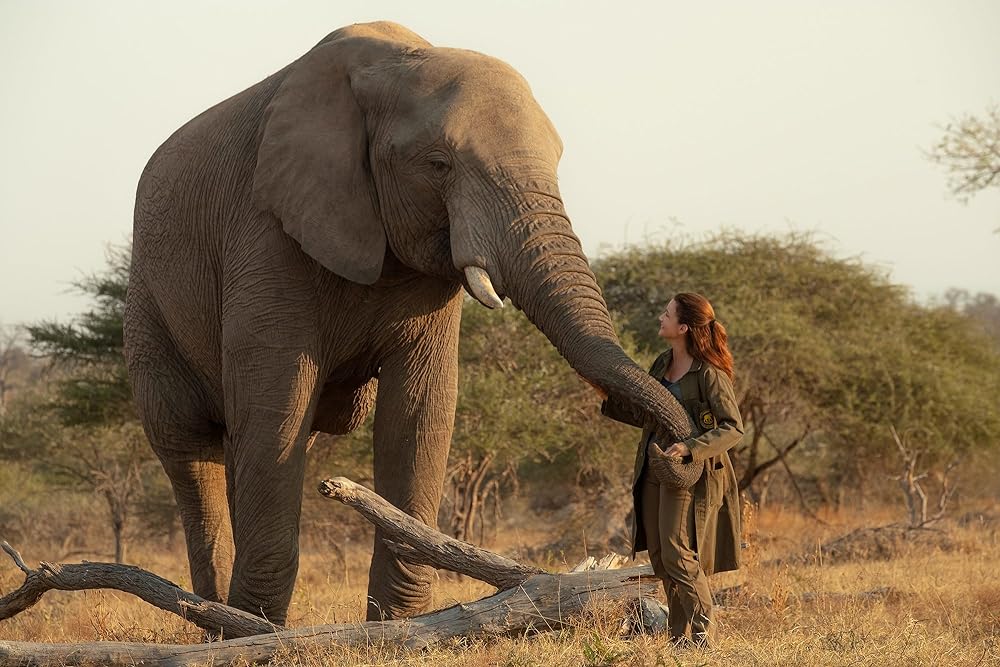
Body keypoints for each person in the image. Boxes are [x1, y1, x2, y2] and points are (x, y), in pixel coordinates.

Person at [594, 292, 744, 646]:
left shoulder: (708, 373)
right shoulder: (662, 363)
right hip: (653, 468)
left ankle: (705, 632)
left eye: (666, 314)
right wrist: (604, 395)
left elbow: (733, 428)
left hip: (688, 474)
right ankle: (679, 636)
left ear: (684, 327)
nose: (660, 318)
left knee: (678, 552)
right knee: (661, 556)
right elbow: (645, 412)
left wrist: (690, 448)